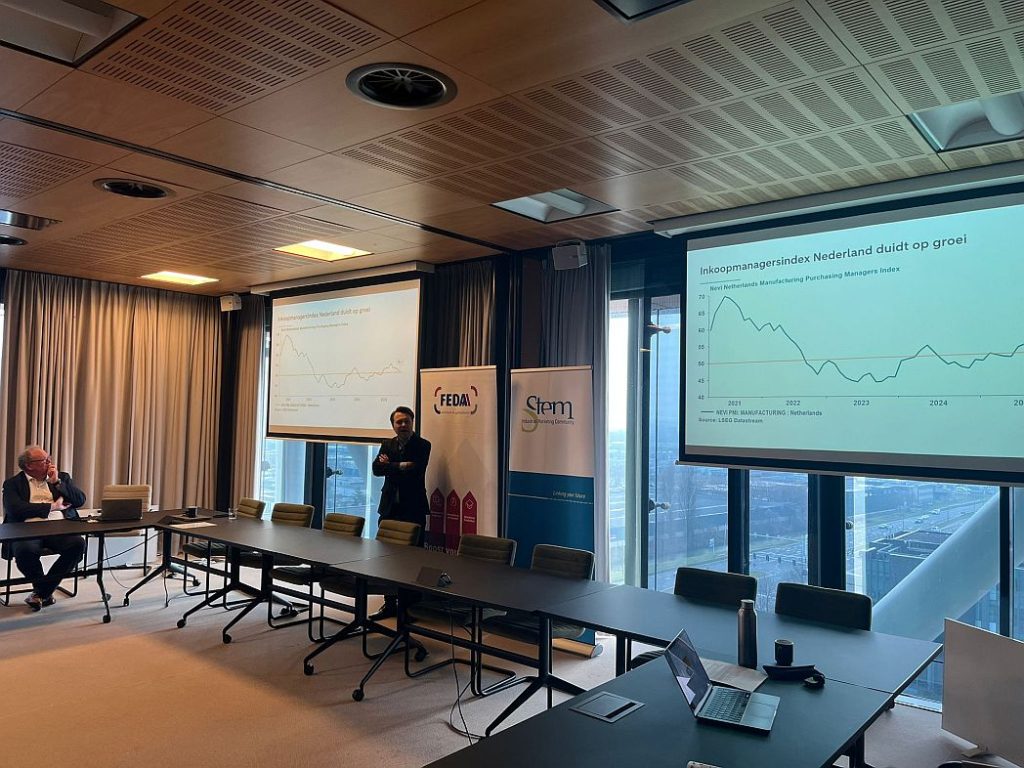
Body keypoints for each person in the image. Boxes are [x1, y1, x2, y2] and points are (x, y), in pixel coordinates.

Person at [2, 445, 87, 611]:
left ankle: (41, 593)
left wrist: (57, 483)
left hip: (59, 527)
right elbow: (14, 509)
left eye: (49, 458)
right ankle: (44, 591)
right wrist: (51, 507)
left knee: (78, 544)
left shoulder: (61, 478)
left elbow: (80, 500)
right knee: (24, 550)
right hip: (26, 529)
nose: (50, 462)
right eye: (44, 460)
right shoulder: (13, 483)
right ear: (29, 465)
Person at [368, 406, 430, 620]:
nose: (403, 425)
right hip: (389, 508)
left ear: (413, 422)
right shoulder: (387, 444)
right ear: (393, 425)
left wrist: (391, 465)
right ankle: (389, 604)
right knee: (387, 557)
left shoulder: (423, 445)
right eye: (399, 422)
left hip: (413, 507)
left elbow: (415, 469)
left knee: (412, 558)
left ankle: (410, 607)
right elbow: (376, 470)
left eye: (406, 421)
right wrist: (400, 465)